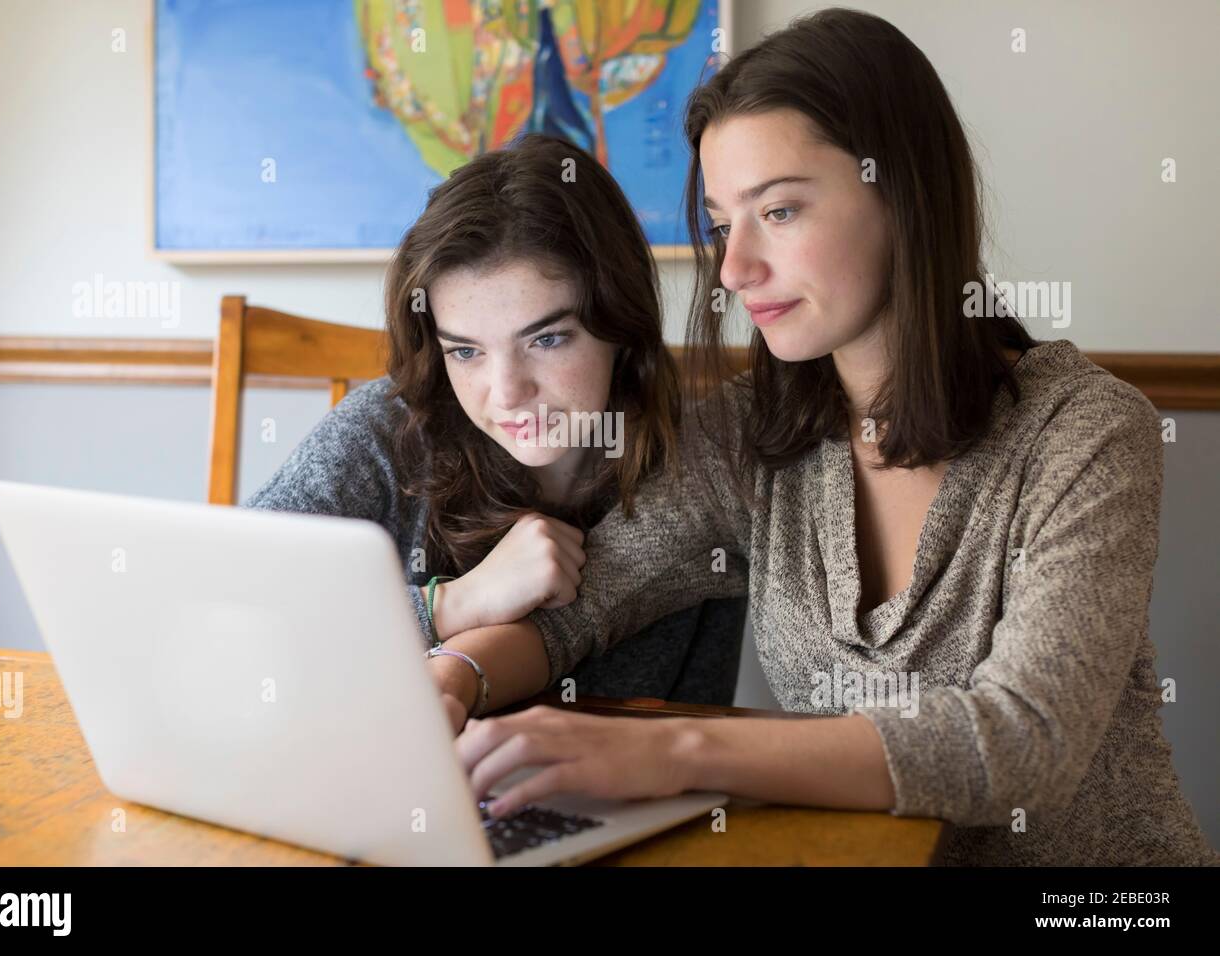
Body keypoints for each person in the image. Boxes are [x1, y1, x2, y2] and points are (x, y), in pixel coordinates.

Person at [428, 10, 1216, 866]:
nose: (733, 270)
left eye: (781, 210)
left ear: (903, 194)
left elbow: (1026, 742)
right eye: (725, 226)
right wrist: (454, 676)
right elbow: (576, 615)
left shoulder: (1088, 433)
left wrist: (674, 751)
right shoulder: (745, 436)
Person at [244, 133, 746, 712]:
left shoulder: (700, 467)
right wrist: (452, 604)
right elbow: (227, 602)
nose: (508, 393)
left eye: (548, 339)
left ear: (621, 325)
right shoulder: (385, 433)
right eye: (465, 351)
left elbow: (694, 716)